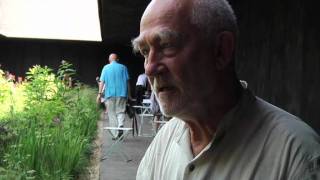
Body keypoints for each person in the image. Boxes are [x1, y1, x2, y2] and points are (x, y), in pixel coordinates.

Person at [131, 0, 320, 179]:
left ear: (221, 50)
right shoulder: (165, 139)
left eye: (167, 45)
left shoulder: (297, 157)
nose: (149, 68)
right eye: (145, 52)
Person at [97, 53, 132, 139]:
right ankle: (120, 125)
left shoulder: (106, 68)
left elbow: (102, 82)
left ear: (109, 60)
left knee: (111, 114)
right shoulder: (123, 67)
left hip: (110, 94)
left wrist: (99, 94)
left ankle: (116, 134)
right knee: (121, 111)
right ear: (117, 59)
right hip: (122, 93)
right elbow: (128, 82)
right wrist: (129, 94)